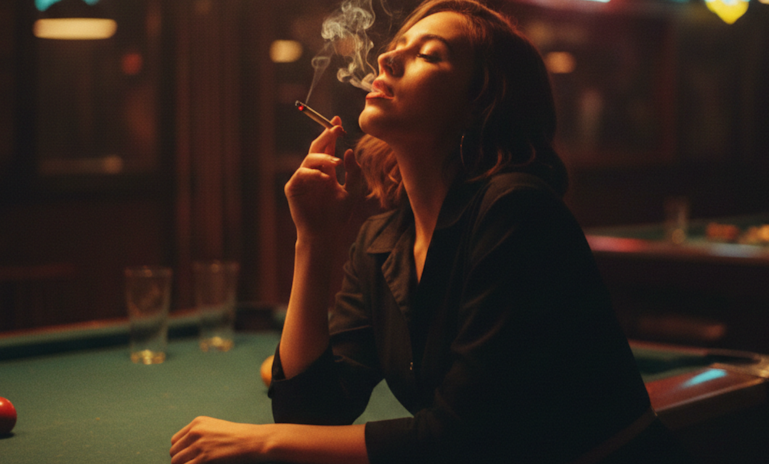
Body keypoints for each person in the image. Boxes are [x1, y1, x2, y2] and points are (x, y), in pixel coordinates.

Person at [170, 1, 693, 462]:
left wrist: (261, 443)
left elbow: (460, 441)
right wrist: (314, 243)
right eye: (396, 46)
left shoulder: (516, 211)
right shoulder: (381, 240)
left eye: (429, 53)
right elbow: (311, 412)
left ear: (480, 103)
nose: (385, 59)